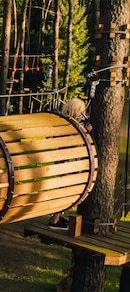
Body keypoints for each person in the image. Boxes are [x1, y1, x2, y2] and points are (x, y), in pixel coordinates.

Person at [48, 98, 92, 231]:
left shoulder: (63, 121)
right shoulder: (71, 125)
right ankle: (54, 221)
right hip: (67, 162)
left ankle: (55, 218)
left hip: (62, 160)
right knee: (64, 191)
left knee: (63, 190)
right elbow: (74, 140)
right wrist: (86, 131)